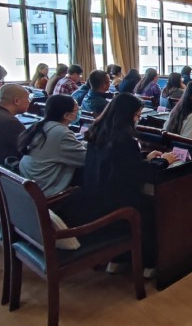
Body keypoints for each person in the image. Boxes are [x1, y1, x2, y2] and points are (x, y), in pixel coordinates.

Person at [79, 93, 177, 273]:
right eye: (137, 115)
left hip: (95, 197)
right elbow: (138, 174)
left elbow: (119, 163)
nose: (137, 119)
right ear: (127, 115)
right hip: (116, 203)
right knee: (154, 208)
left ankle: (117, 259)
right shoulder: (124, 139)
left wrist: (145, 157)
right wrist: (165, 161)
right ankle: (148, 264)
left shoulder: (97, 131)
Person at [18, 95, 86, 196]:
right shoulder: (61, 133)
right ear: (67, 115)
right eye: (77, 109)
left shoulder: (41, 125)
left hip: (32, 184)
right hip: (46, 191)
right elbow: (86, 159)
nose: (79, 111)